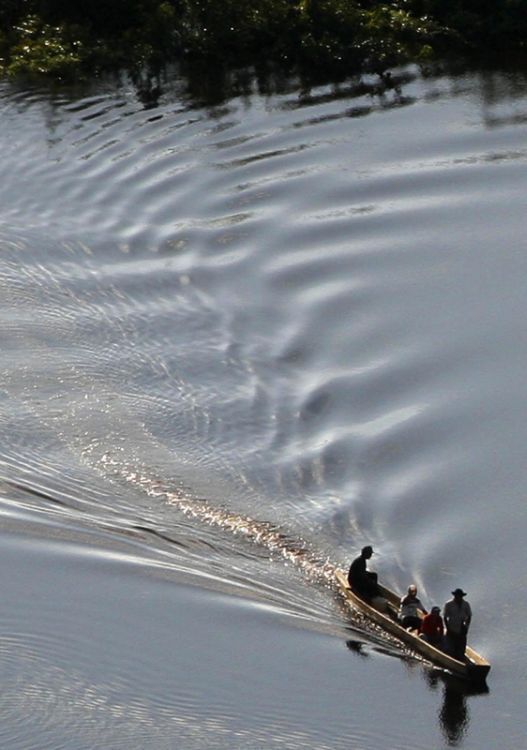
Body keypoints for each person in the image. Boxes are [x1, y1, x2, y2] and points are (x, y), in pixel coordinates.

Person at [443, 588, 472, 660]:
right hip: (451, 628)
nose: (459, 598)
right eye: (457, 596)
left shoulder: (466, 604)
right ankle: (450, 660)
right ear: (455, 596)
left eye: (460, 596)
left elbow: (469, 616)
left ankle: (461, 659)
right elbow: (445, 617)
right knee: (450, 648)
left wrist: (467, 627)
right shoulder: (449, 604)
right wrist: (448, 628)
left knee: (461, 648)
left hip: (462, 628)